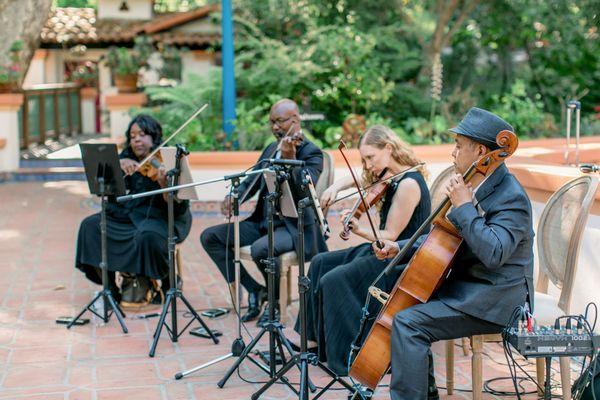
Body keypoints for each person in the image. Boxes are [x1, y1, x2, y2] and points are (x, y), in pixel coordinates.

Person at [373, 107, 535, 399]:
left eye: (459, 146)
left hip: (495, 299)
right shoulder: (476, 182)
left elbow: (495, 254)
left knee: (408, 324)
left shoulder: (511, 197)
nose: (453, 153)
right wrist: (400, 247)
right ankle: (424, 393)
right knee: (401, 303)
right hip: (469, 288)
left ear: (481, 150)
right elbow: (443, 237)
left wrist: (463, 207)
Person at [291, 125, 431, 376]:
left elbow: (389, 237)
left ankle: (349, 355)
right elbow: (360, 176)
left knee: (334, 280)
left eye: (370, 157)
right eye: (364, 158)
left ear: (388, 149)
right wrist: (335, 188)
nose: (367, 165)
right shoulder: (389, 175)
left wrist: (358, 229)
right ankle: (314, 342)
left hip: (399, 261)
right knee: (321, 261)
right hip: (381, 252)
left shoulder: (409, 184)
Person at [200, 99, 327, 326]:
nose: (275, 127)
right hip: (263, 220)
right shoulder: (271, 148)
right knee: (210, 237)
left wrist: (290, 159)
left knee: (262, 248)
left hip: (294, 226)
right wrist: (234, 196)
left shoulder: (312, 153)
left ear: (295, 120)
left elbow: (305, 191)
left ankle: (275, 304)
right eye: (271, 122)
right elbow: (253, 179)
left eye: (280, 121)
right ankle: (256, 289)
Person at [75, 114, 192, 306]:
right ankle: (110, 288)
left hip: (161, 217)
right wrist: (115, 169)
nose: (136, 139)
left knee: (148, 236)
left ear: (154, 137)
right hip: (126, 215)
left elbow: (177, 206)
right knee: (91, 227)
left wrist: (164, 183)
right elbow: (106, 194)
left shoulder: (168, 159)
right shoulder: (123, 159)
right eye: (132, 135)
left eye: (143, 134)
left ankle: (168, 282)